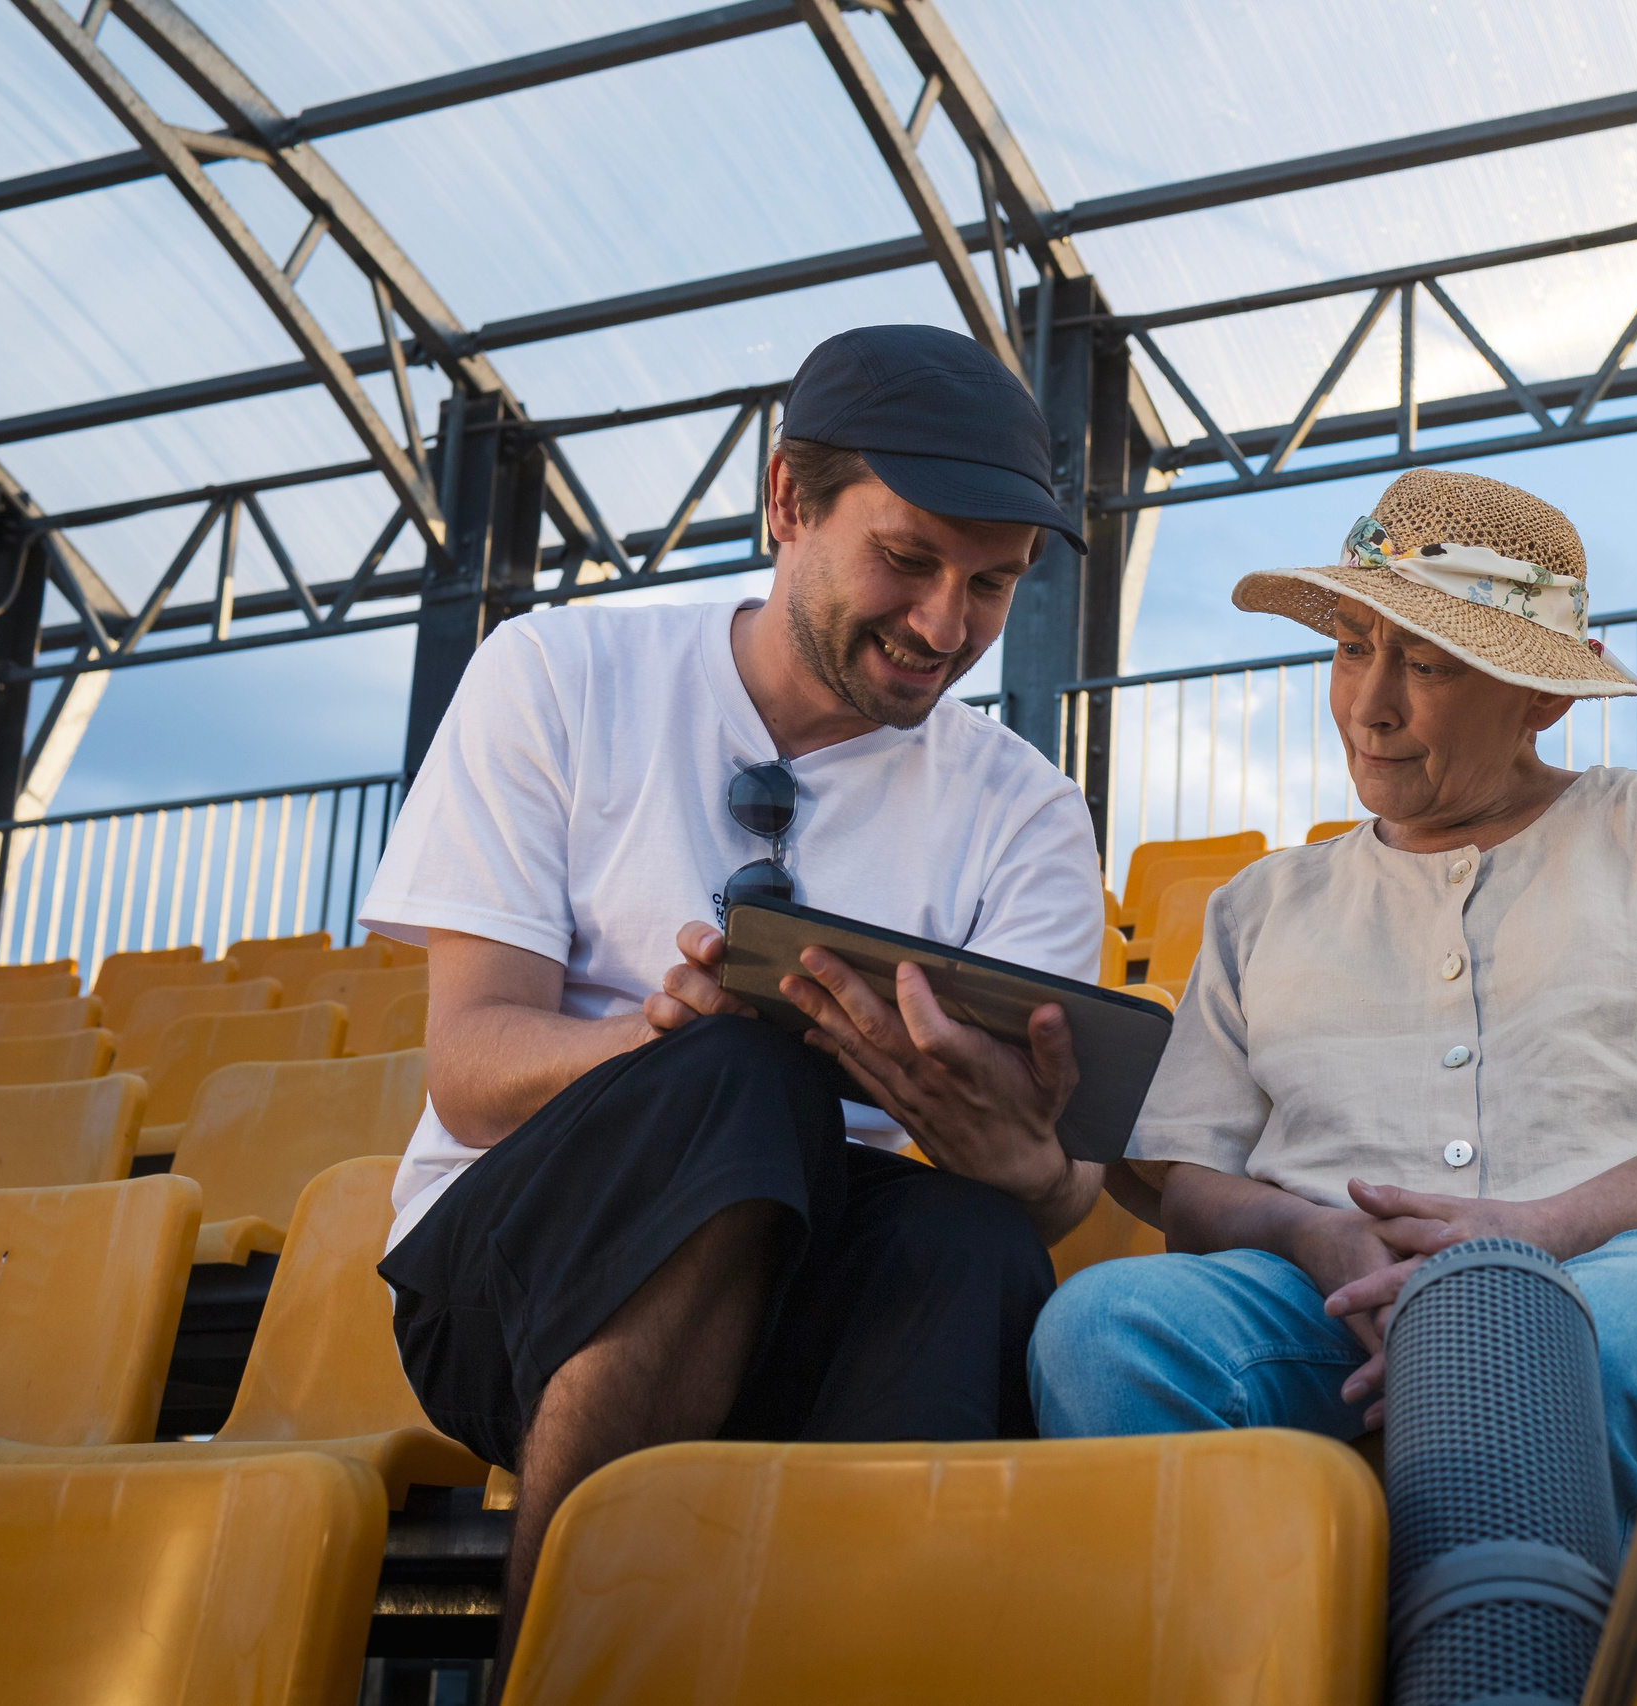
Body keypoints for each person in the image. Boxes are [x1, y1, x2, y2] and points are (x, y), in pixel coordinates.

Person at [368, 325, 1110, 1670]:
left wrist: (1021, 1158)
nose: (947, 626)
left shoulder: (1030, 812)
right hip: (515, 1264)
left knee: (979, 1238)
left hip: (831, 1269)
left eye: (992, 586)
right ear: (787, 505)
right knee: (739, 1076)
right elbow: (469, 1067)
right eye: (909, 560)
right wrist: (651, 1044)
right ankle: (572, 1670)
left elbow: (1060, 1191)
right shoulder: (557, 675)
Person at [1030, 467, 1637, 1523]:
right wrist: (1314, 1238)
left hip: (1623, 1285)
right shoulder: (1260, 904)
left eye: (1425, 662)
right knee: (1104, 1322)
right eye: (1350, 647)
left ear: (1544, 697)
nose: (1369, 704)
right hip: (1327, 1302)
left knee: (1553, 1336)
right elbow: (1189, 1176)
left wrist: (1538, 1233)